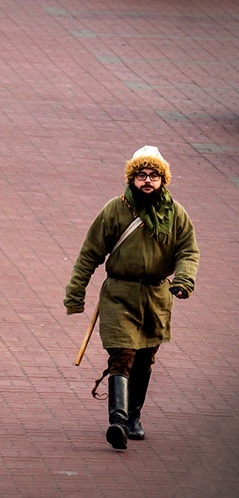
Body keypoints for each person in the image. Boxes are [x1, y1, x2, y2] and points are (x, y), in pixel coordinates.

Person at [64, 145, 199, 450]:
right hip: (119, 294)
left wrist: (183, 280)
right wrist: (75, 294)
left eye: (153, 175)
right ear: (132, 178)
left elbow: (188, 251)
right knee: (122, 354)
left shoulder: (176, 214)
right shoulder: (115, 209)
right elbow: (90, 253)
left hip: (156, 297)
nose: (147, 181)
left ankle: (134, 416)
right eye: (141, 175)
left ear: (163, 180)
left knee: (145, 358)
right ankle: (118, 420)